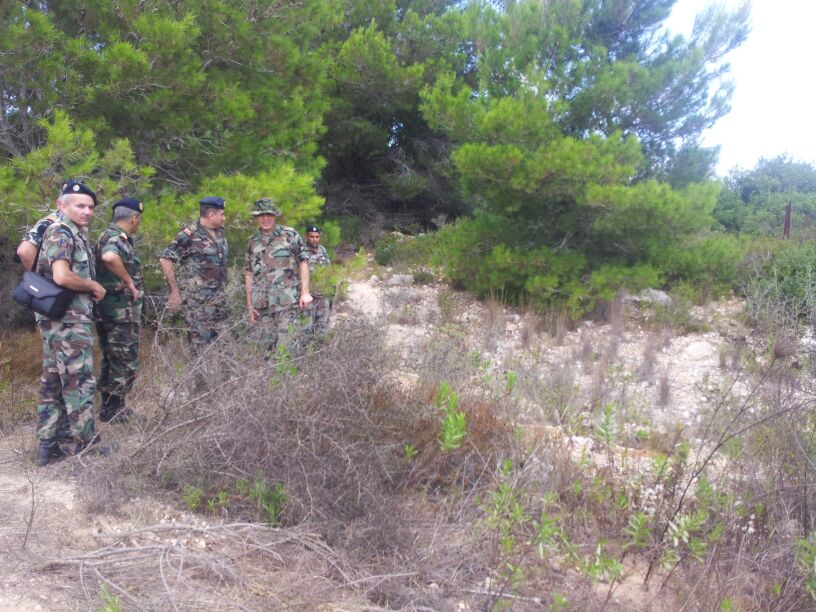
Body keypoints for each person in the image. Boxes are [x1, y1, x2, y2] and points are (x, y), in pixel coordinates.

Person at [35, 180, 106, 466]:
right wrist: (92, 285)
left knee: (52, 382)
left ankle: (48, 446)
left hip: (63, 319)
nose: (87, 211)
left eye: (90, 207)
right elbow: (62, 276)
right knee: (79, 380)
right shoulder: (61, 232)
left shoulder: (75, 233)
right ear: (61, 204)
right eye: (80, 205)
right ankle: (85, 444)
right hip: (66, 321)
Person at [95, 197, 144, 422]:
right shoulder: (115, 238)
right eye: (139, 219)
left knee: (113, 357)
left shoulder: (109, 235)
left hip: (112, 311)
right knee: (124, 358)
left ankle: (110, 407)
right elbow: (109, 257)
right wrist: (128, 281)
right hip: (119, 312)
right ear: (134, 218)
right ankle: (114, 408)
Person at [158, 196, 229, 350]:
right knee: (200, 348)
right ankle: (200, 375)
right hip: (199, 304)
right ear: (211, 215)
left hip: (220, 300)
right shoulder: (189, 235)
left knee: (222, 345)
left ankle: (221, 375)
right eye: (222, 214)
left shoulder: (220, 232)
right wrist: (175, 291)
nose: (224, 218)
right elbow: (165, 259)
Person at [244, 198, 312, 351]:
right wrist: (249, 304)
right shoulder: (251, 241)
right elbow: (248, 272)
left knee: (286, 349)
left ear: (275, 216)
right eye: (261, 215)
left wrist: (305, 292)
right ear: (256, 217)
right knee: (265, 351)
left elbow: (303, 262)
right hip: (261, 305)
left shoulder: (290, 235)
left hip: (287, 302)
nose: (265, 218)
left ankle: (288, 375)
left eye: (269, 214)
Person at [303, 225, 332, 336]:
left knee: (322, 326)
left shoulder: (322, 250)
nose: (314, 239)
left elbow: (328, 269)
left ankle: (320, 349)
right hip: (308, 295)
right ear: (307, 236)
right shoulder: (302, 251)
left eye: (317, 237)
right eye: (312, 236)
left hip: (322, 294)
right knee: (307, 327)